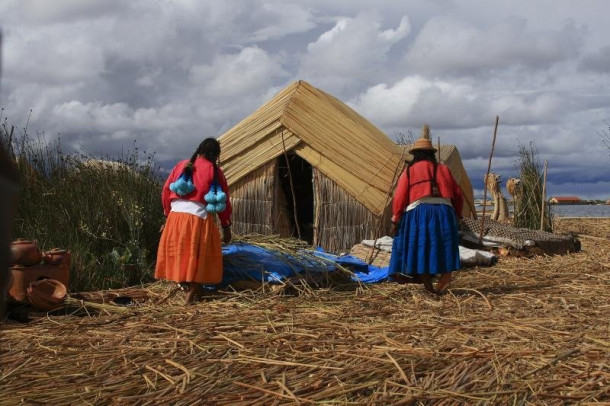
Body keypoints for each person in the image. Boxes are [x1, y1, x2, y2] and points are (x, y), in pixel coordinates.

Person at [155, 138, 232, 304]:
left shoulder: (182, 164)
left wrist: (167, 216)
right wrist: (226, 226)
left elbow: (166, 190)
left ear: (199, 150)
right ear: (216, 155)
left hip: (175, 218)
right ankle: (190, 296)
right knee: (199, 258)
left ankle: (196, 291)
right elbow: (223, 202)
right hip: (197, 220)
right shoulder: (215, 171)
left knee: (181, 255)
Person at [389, 124, 463, 294]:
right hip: (445, 212)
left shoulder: (410, 172)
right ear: (431, 155)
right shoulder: (444, 169)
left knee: (421, 248)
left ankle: (430, 290)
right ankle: (445, 276)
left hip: (419, 213)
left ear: (415, 155)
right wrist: (457, 215)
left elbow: (399, 197)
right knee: (444, 246)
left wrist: (395, 219)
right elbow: (457, 194)